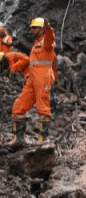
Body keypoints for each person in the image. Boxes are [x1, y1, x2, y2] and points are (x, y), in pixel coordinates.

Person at [9, 18, 56, 147]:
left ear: (42, 29)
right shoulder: (36, 44)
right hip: (33, 79)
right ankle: (18, 139)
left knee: (43, 108)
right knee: (18, 106)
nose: (31, 30)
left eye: (34, 28)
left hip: (43, 78)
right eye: (31, 28)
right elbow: (34, 63)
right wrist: (29, 75)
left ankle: (43, 138)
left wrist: (49, 29)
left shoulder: (47, 42)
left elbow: (51, 38)